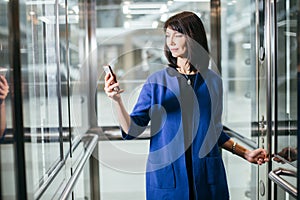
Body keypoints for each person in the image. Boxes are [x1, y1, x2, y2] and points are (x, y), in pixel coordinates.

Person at [104, 11, 269, 200]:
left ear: (193, 38)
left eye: (178, 35)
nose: (171, 42)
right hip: (169, 181)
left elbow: (214, 131)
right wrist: (116, 100)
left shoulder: (213, 81)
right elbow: (132, 129)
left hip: (208, 180)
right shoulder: (156, 82)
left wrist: (246, 153)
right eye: (168, 36)